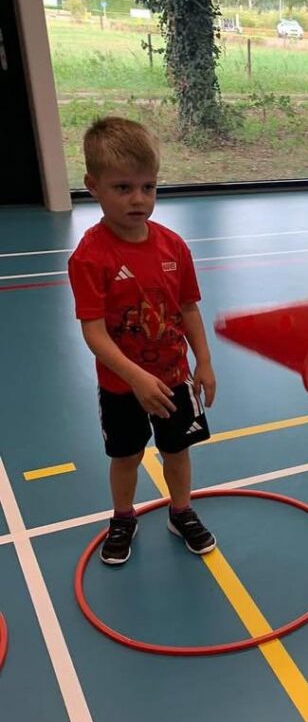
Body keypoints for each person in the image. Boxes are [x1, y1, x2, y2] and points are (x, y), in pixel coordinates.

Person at [68, 116, 217, 565]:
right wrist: (134, 378)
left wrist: (204, 363)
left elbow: (189, 308)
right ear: (93, 186)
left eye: (148, 187)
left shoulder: (174, 247)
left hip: (174, 378)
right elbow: (93, 332)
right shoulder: (90, 258)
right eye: (123, 188)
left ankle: (181, 511)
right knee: (126, 457)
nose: (139, 199)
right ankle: (122, 517)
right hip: (123, 386)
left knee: (177, 451)